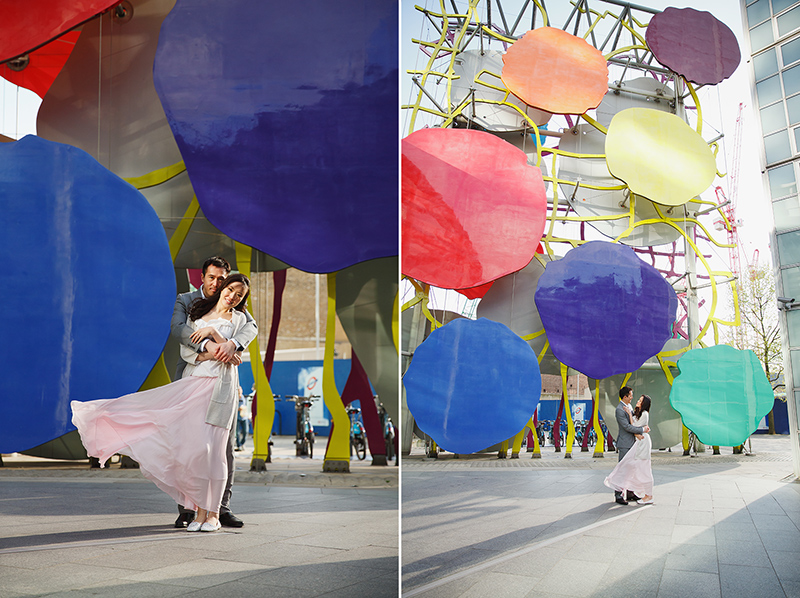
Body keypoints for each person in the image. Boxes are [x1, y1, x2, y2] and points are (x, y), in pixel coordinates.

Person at [71, 274, 255, 532]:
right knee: (195, 451)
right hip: (192, 385)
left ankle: (212, 515)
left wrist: (215, 336)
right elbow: (188, 351)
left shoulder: (239, 320)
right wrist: (214, 352)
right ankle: (199, 512)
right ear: (222, 287)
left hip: (220, 390)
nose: (233, 296)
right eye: (231, 289)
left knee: (215, 452)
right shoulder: (197, 313)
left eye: (240, 294)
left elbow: (232, 351)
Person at [170, 256, 257, 529]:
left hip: (220, 385)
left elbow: (249, 329)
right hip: (192, 379)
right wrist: (213, 348)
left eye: (222, 280)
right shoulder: (188, 302)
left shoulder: (237, 310)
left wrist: (231, 345)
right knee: (189, 446)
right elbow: (179, 332)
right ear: (203, 277)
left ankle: (219, 508)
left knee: (221, 448)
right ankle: (189, 509)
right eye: (212, 278)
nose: (218, 284)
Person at [605, 394, 654, 505]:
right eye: (632, 396)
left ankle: (648, 495)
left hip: (642, 442)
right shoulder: (624, 410)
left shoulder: (644, 413)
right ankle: (622, 492)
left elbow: (634, 427)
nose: (635, 399)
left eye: (640, 400)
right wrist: (638, 432)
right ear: (625, 396)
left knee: (643, 469)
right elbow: (633, 427)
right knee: (628, 466)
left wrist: (637, 431)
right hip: (637, 441)